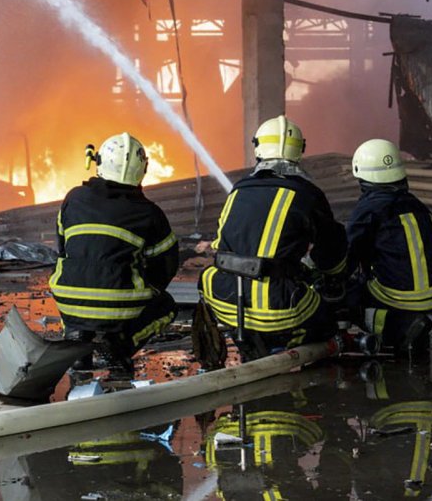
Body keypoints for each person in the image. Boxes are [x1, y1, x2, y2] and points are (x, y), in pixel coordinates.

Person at [199, 115, 347, 360]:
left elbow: (219, 246)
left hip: (226, 302)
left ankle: (252, 342)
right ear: (300, 150)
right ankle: (288, 348)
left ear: (258, 148)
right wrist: (331, 274)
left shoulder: (238, 190)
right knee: (328, 318)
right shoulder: (308, 195)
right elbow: (330, 254)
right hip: (280, 306)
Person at [48, 133, 179, 374]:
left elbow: (63, 248)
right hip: (120, 305)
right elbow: (166, 266)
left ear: (99, 163)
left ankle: (77, 343)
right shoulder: (149, 213)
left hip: (68, 299)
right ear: (142, 169)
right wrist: (145, 288)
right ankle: (120, 345)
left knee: (76, 279)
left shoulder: (73, 198)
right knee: (167, 306)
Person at [346, 138, 432, 358]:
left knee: (345, 295)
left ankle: (399, 328)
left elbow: (346, 256)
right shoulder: (416, 204)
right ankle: (409, 322)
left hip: (404, 295)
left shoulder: (368, 209)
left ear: (361, 174)